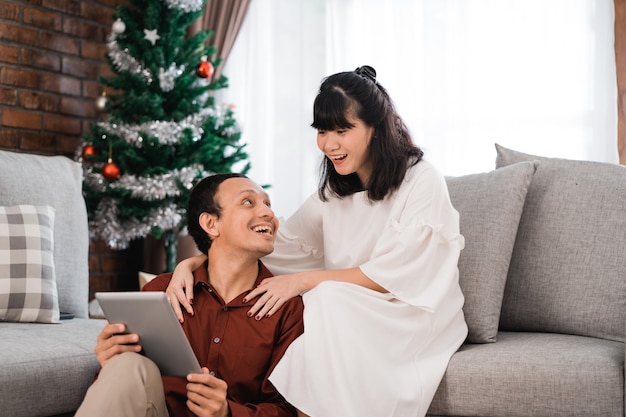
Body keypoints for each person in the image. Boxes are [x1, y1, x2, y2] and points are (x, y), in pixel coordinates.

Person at [166, 66, 468, 417]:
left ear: (375, 128)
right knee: (319, 299)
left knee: (320, 297)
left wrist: (304, 281)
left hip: (413, 311)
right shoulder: (331, 194)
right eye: (323, 131)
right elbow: (269, 247)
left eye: (343, 130)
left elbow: (400, 274)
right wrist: (190, 264)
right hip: (348, 309)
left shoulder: (420, 179)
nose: (329, 144)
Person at [75, 173, 304, 417]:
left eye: (268, 203)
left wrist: (228, 412)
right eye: (248, 202)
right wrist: (111, 360)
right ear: (210, 224)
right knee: (128, 364)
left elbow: (286, 410)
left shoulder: (287, 308)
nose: (268, 213)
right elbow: (118, 390)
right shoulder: (159, 292)